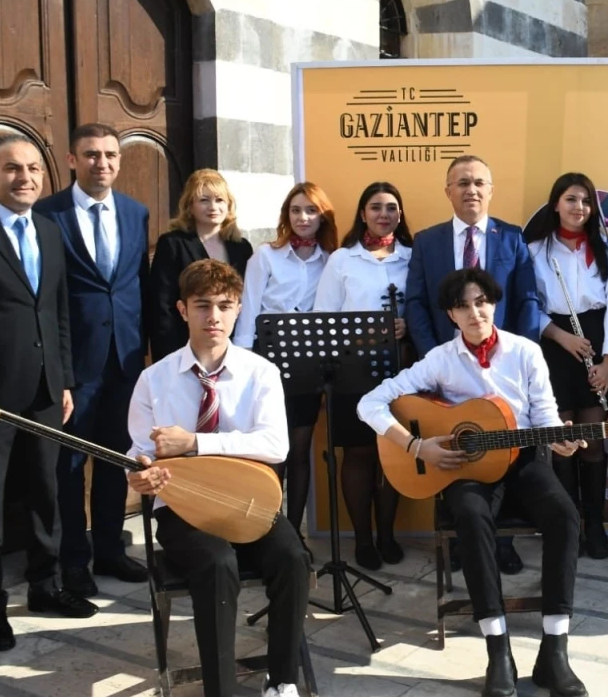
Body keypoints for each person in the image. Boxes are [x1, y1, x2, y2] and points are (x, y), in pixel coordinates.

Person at [357, 268, 589, 697]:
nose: (475, 311)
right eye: (463, 305)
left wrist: (559, 435)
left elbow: (542, 414)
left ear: (494, 303)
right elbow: (369, 403)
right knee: (470, 516)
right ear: (451, 314)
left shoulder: (525, 351)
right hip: (464, 471)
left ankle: (554, 649)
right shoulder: (440, 359)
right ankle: (497, 649)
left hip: (522, 462)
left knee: (564, 514)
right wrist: (416, 444)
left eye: (481, 301)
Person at [125, 259, 321, 697]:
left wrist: (194, 444)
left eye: (225, 306)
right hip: (183, 508)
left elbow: (276, 445)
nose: (214, 316)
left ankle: (280, 686)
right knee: (217, 565)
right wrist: (141, 475)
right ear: (182, 310)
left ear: (238, 312)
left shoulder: (260, 372)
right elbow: (137, 452)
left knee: (293, 558)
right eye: (203, 306)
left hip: (247, 502)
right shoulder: (154, 378)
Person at [0, 135, 97, 652]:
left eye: (34, 168)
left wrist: (65, 379)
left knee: (47, 492)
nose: (25, 177)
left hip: (45, 392)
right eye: (12, 168)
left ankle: (44, 585)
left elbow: (56, 314)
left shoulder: (50, 232)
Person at [405, 154, 542, 575]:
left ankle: (503, 544)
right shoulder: (427, 242)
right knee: (456, 453)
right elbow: (415, 303)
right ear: (448, 191)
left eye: (479, 182)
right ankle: (464, 541)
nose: (471, 190)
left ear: (491, 189)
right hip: (447, 375)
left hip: (502, 372)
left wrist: (514, 357)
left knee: (501, 454)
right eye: (462, 183)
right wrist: (438, 358)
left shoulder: (512, 238)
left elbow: (527, 301)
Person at [33, 123, 150, 597]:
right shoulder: (47, 213)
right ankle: (72, 560)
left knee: (112, 461)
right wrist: (55, 368)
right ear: (71, 159)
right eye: (91, 155)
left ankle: (109, 549)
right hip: (73, 364)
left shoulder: (136, 212)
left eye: (109, 155)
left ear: (119, 161)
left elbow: (134, 282)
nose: (101, 163)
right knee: (67, 465)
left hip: (124, 361)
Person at [524, 172, 608, 559]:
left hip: (596, 344)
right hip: (554, 345)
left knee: (593, 443)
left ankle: (595, 525)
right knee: (562, 441)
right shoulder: (535, 250)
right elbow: (528, 305)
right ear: (555, 204)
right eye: (570, 199)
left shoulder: (606, 250)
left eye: (585, 201)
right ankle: (567, 525)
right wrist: (557, 335)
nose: (578, 208)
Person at [313, 181, 413, 571]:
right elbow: (324, 317)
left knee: (394, 452)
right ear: (362, 213)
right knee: (358, 453)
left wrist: (408, 328)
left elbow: (423, 307)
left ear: (400, 215)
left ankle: (387, 533)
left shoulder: (411, 256)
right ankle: (362, 539)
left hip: (401, 368)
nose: (383, 213)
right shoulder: (342, 259)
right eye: (376, 207)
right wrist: (359, 333)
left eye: (391, 207)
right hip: (352, 368)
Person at [233, 183, 337, 531]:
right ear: (286, 215)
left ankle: (294, 533)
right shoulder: (266, 255)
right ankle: (268, 530)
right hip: (268, 360)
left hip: (308, 361)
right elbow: (248, 310)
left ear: (323, 216)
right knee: (272, 448)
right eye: (296, 210)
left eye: (310, 210)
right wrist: (242, 361)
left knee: (301, 446)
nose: (303, 217)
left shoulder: (332, 259)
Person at [150, 169, 253, 360]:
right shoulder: (172, 243)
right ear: (190, 206)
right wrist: (169, 354)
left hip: (229, 345)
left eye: (219, 200)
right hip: (183, 344)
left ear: (229, 205)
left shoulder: (241, 247)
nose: (213, 207)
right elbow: (162, 303)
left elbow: (247, 298)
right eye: (204, 200)